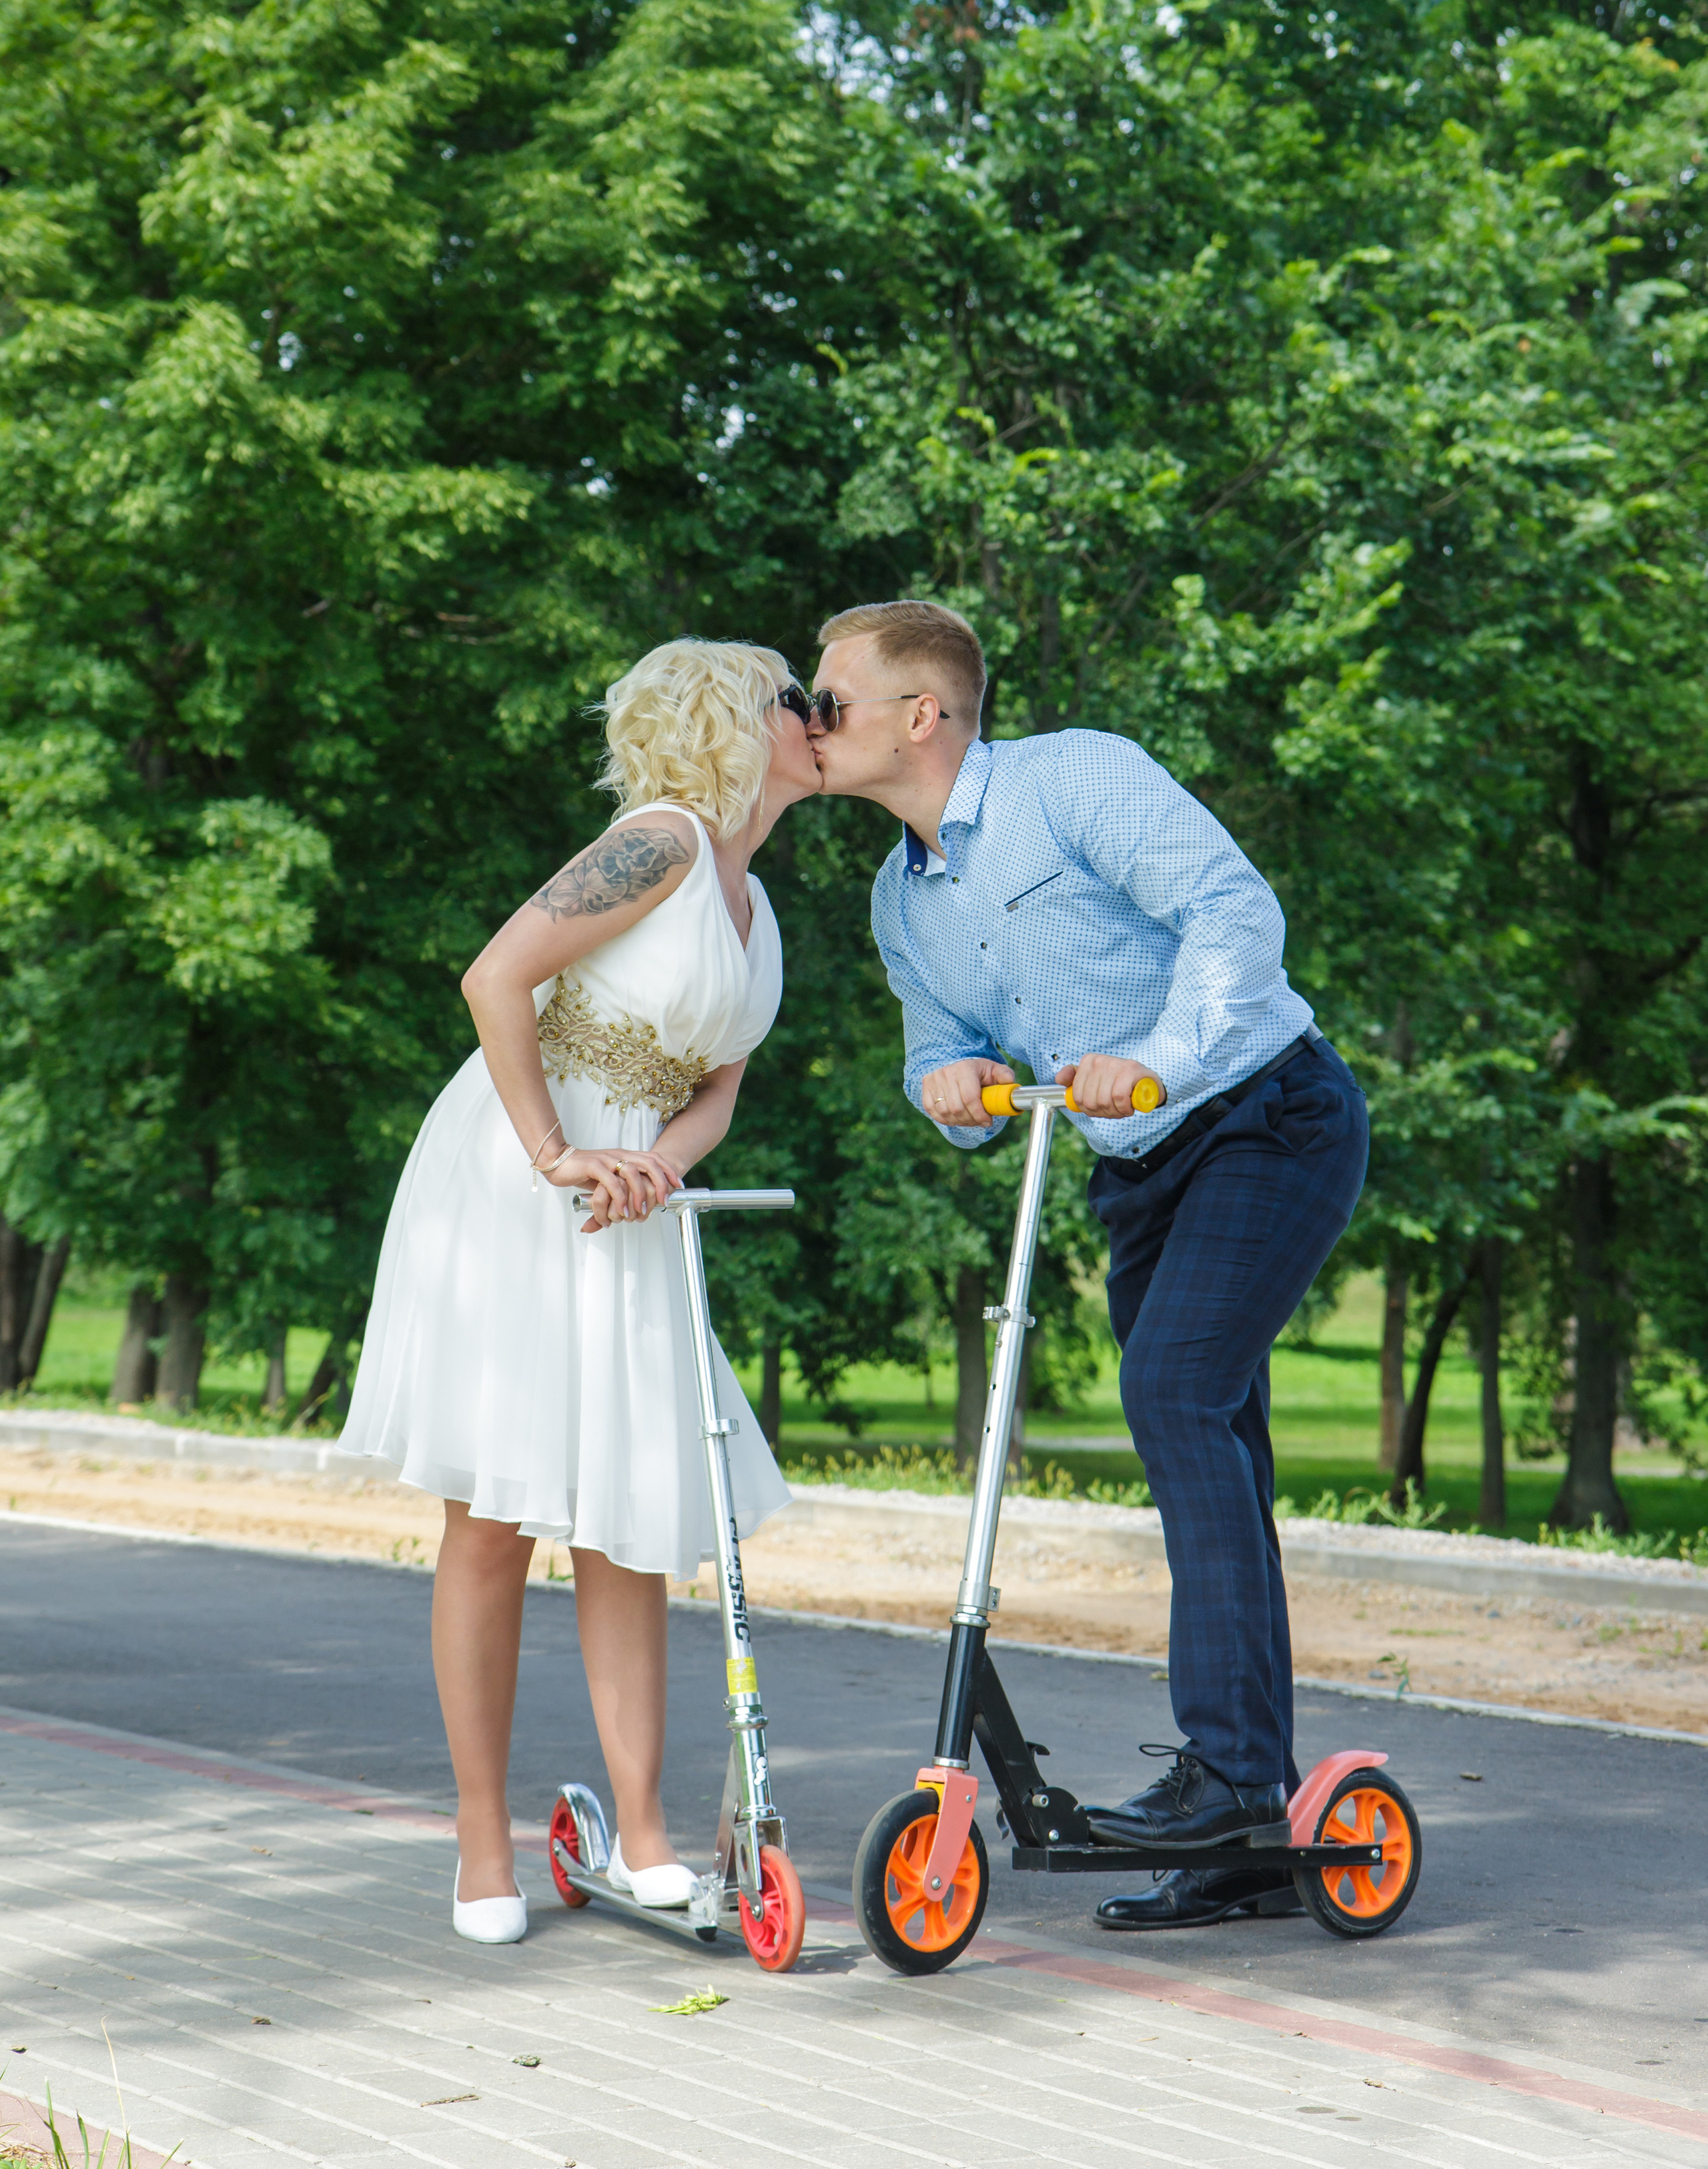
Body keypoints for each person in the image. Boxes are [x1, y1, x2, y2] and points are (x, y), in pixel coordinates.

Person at [807, 598, 1368, 1933]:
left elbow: (1233, 913)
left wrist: (1160, 1056)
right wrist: (946, 1083)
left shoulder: (1074, 779)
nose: (807, 724)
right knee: (1212, 1440)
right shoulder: (899, 898)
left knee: (1170, 1395)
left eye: (826, 701)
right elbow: (938, 1050)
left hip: (1265, 1115)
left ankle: (1227, 1777)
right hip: (1138, 1171)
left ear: (919, 715)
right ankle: (1247, 1833)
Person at [340, 640, 821, 1943]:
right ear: (737, 723)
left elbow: (716, 1089)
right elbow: (494, 975)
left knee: (627, 1505)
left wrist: (661, 1164)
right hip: (519, 1174)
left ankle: (645, 1834)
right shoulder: (660, 842)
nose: (819, 717)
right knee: (496, 1514)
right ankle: (477, 1839)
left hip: (631, 1194)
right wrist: (556, 1151)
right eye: (797, 701)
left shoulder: (756, 901)